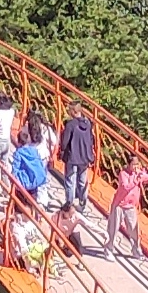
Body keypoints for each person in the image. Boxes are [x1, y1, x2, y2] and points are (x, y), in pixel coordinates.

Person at [59, 96, 96, 225]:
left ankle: (69, 203)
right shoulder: (88, 123)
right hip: (85, 157)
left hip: (72, 157)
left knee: (70, 180)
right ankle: (82, 203)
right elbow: (91, 139)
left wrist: (61, 151)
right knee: (82, 181)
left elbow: (65, 142)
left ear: (74, 111)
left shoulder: (71, 124)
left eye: (70, 110)